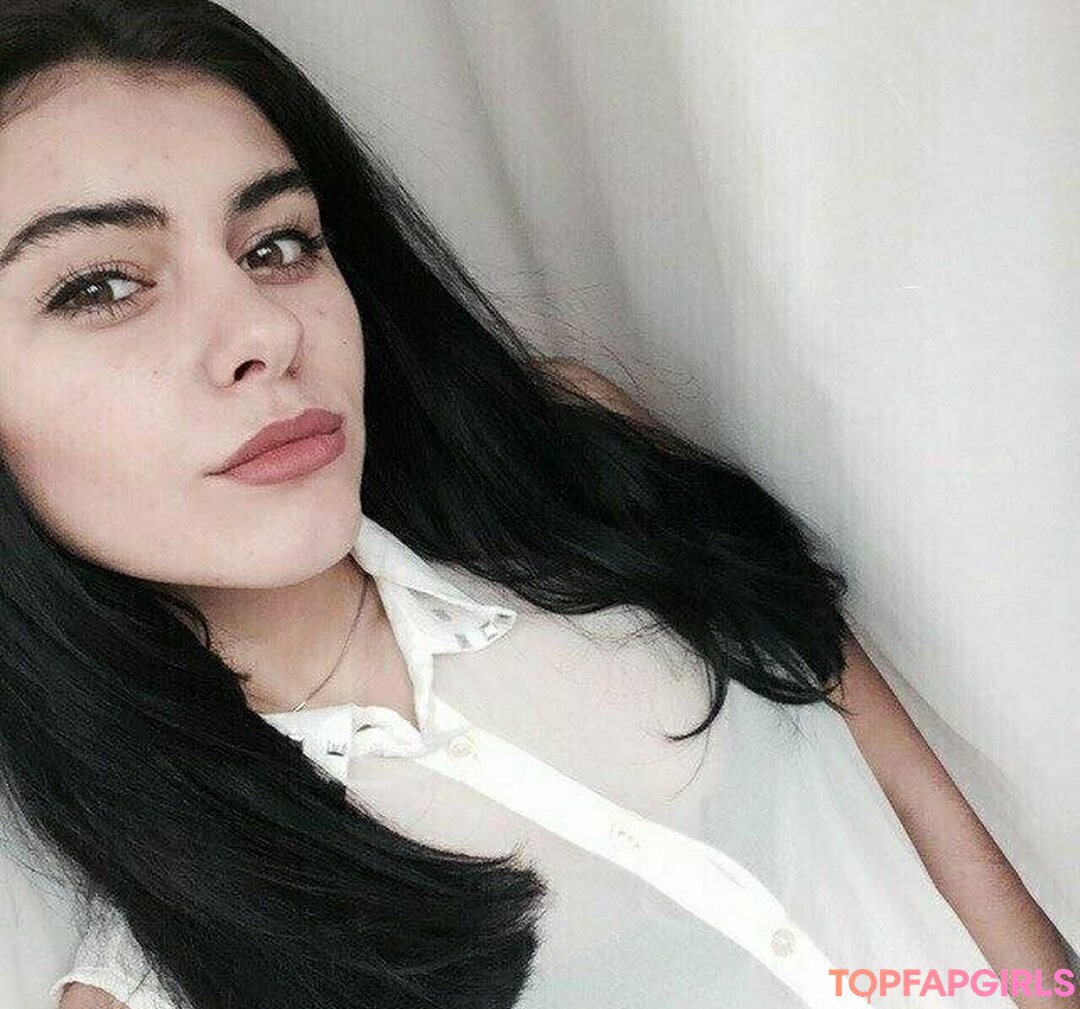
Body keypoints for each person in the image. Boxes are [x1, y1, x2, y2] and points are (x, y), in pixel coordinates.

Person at [0, 2, 1074, 1008]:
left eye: (277, 245)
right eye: (99, 287)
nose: (266, 332)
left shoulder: (558, 464)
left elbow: (931, 816)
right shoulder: (160, 973)